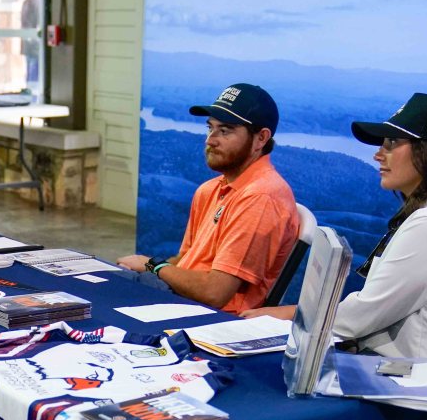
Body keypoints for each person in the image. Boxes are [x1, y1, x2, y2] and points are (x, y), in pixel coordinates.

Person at [243, 93, 427, 370]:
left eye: (392, 143)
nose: (378, 154)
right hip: (397, 370)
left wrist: (284, 314)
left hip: (405, 383)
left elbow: (359, 318)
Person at [117, 83, 299, 314]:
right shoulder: (210, 190)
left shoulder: (260, 197)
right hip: (176, 296)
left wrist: (152, 265)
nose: (210, 140)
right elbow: (186, 261)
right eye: (210, 128)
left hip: (204, 315)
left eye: (225, 131)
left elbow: (215, 293)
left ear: (261, 138)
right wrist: (149, 267)